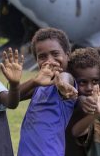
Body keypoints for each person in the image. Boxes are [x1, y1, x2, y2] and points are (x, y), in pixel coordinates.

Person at [17, 28, 78, 156]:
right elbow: (12, 97)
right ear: (37, 60)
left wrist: (62, 84)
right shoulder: (39, 85)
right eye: (42, 57)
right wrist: (34, 82)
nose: (49, 61)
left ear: (67, 55)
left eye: (55, 54)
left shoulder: (67, 77)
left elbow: (65, 80)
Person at [65, 47, 100, 156]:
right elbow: (79, 101)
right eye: (83, 82)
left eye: (95, 81)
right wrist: (82, 100)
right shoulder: (69, 102)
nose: (90, 87)